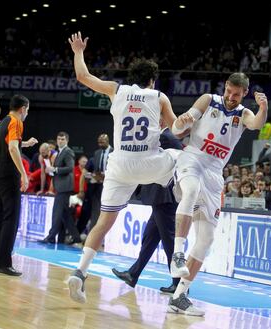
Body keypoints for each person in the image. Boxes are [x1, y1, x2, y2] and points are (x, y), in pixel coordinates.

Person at [66, 32, 183, 304]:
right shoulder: (159, 96)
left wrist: (79, 52)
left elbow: (83, 77)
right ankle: (196, 206)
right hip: (150, 163)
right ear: (152, 80)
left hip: (120, 165)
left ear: (133, 78)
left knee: (103, 223)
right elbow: (176, 128)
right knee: (182, 158)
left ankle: (80, 272)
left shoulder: (117, 90)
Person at [168, 72, 268, 316]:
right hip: (192, 159)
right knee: (190, 190)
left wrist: (263, 107)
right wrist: (184, 120)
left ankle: (179, 296)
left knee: (206, 240)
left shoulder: (243, 113)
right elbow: (184, 123)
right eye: (229, 92)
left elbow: (256, 123)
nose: (231, 97)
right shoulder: (208, 99)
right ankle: (177, 253)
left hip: (214, 173)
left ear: (244, 93)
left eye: (237, 94)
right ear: (225, 87)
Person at [112, 120, 183, 294]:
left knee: (170, 242)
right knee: (149, 239)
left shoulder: (166, 137)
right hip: (160, 196)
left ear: (161, 119)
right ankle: (133, 274)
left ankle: (180, 284)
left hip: (164, 196)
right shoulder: (166, 136)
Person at [0, 94, 31, 276]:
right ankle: (4, 262)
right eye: (27, 110)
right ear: (23, 108)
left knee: (0, 217)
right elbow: (11, 148)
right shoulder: (17, 122)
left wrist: (24, 144)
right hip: (9, 175)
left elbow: (10, 144)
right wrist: (24, 175)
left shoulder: (2, 123)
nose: (27, 113)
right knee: (11, 218)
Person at [38, 131, 81, 244]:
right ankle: (76, 238)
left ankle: (51, 237)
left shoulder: (68, 152)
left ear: (67, 140)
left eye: (62, 139)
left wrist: (55, 170)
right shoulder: (60, 152)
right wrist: (52, 171)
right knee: (65, 215)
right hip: (61, 186)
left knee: (57, 212)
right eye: (58, 139)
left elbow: (70, 168)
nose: (60, 141)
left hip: (65, 187)